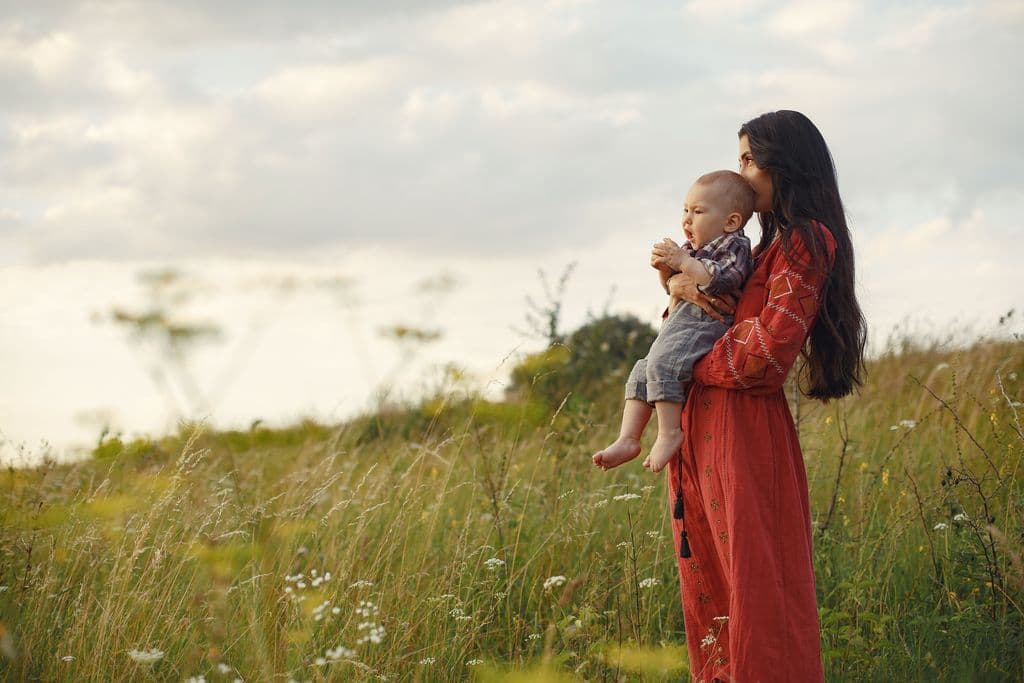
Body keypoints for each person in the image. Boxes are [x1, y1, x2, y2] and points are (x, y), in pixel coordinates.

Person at [663, 111, 867, 682]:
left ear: (786, 165)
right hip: (701, 430)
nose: (742, 171)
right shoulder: (754, 250)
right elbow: (687, 319)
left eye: (750, 159)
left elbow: (764, 357)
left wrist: (685, 363)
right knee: (711, 590)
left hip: (744, 433)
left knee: (759, 597)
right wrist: (681, 287)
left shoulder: (806, 242)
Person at [591, 170, 754, 474]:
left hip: (707, 322)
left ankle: (669, 432)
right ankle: (628, 437)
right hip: (682, 320)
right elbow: (675, 284)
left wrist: (683, 263)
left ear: (731, 221)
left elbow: (718, 282)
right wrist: (664, 269)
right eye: (685, 210)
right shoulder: (695, 248)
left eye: (698, 211)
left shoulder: (734, 247)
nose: (687, 219)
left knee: (662, 365)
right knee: (644, 366)